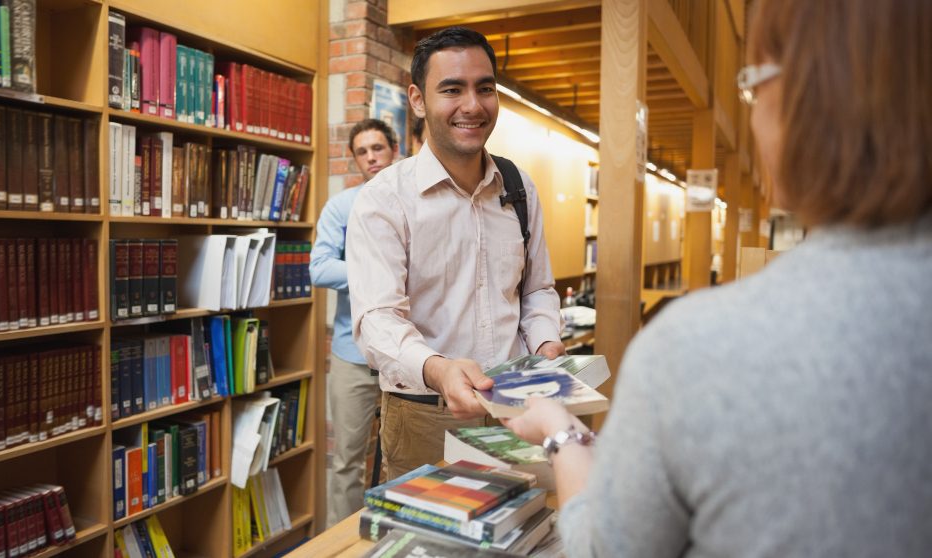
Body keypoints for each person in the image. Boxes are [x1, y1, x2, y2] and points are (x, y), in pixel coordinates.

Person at [505, 0, 932, 555]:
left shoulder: (693, 348)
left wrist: (561, 432)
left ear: (803, 96)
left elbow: (607, 548)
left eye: (752, 85)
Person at [346, 26, 565, 480]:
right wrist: (439, 371)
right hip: (426, 415)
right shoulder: (384, 198)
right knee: (429, 548)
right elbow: (377, 320)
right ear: (418, 100)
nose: (473, 105)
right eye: (452, 89)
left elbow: (537, 289)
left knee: (521, 537)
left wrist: (545, 340)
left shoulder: (519, 188)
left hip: (514, 405)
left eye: (485, 88)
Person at [310, 118, 397, 527]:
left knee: (404, 460)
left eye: (377, 148)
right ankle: (339, 550)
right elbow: (320, 269)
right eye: (362, 152)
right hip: (352, 354)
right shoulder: (341, 207)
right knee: (347, 462)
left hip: (405, 359)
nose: (371, 158)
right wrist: (374, 271)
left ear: (392, 150)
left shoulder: (411, 199)